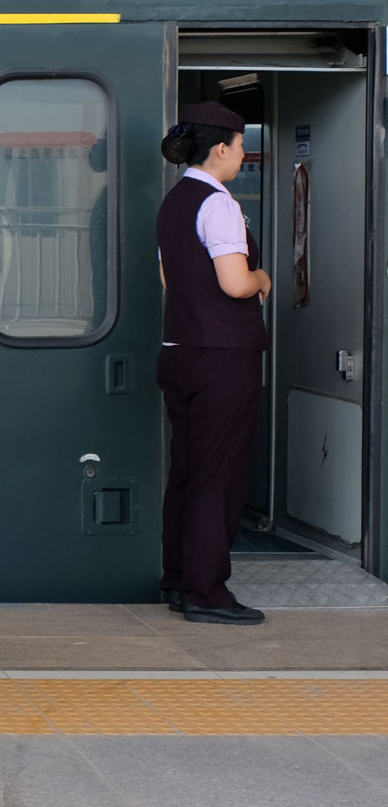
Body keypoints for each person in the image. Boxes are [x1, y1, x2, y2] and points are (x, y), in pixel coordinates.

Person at [156, 101, 270, 626]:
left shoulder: (174, 201)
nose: (244, 155)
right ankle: (207, 592)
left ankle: (179, 579)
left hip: (179, 352)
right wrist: (263, 280)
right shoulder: (219, 203)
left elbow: (169, 282)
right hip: (223, 357)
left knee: (188, 470)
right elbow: (234, 282)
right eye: (242, 146)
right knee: (217, 475)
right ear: (220, 147)